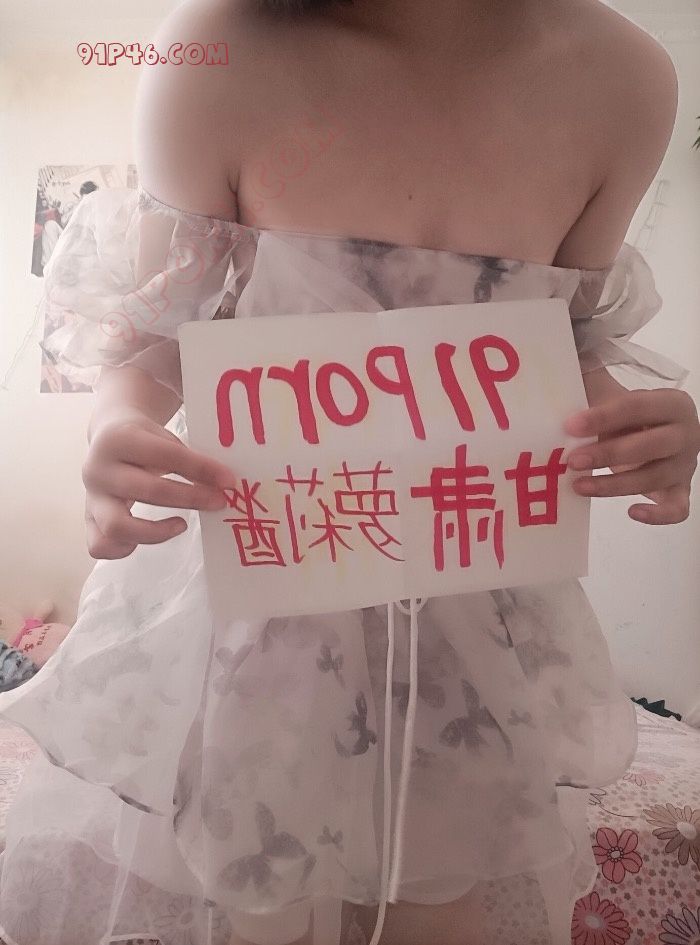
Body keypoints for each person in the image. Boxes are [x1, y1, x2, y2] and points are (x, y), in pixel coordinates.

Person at [1, 0, 698, 943]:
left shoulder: (627, 82)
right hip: (261, 598)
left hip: (475, 603)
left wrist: (636, 425)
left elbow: (561, 340)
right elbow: (160, 337)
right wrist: (117, 423)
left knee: (441, 896)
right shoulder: (218, 51)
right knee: (262, 894)